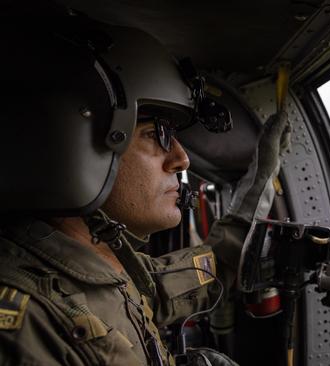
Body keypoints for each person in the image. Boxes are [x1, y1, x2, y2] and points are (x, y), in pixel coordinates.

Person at [0, 8, 288, 366]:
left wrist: (257, 187)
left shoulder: (100, 269)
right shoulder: (26, 322)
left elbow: (200, 273)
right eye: (157, 134)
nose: (182, 160)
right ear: (71, 145)